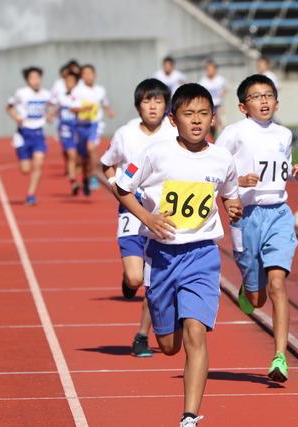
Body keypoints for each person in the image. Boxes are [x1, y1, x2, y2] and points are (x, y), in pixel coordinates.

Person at [115, 84, 242, 426]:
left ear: (213, 118)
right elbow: (121, 186)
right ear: (174, 119)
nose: (197, 121)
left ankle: (188, 416)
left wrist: (233, 207)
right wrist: (147, 218)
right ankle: (159, 326)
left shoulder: (222, 158)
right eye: (188, 114)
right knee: (170, 345)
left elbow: (229, 194)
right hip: (163, 256)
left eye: (203, 114)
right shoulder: (154, 153)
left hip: (202, 255)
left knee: (196, 332)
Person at [216, 74, 298, 383]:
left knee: (278, 286)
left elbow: (283, 166)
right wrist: (237, 182)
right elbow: (212, 170)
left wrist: (294, 173)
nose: (264, 101)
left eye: (268, 95)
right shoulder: (233, 134)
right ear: (243, 106)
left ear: (277, 101)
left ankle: (280, 356)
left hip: (279, 213)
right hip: (247, 215)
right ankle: (247, 287)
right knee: (257, 300)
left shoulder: (283, 134)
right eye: (256, 97)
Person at [101, 78, 176, 357]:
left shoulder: (174, 130)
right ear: (138, 106)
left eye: (158, 101)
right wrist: (116, 188)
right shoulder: (125, 134)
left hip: (163, 213)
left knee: (152, 281)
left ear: (166, 105)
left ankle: (142, 334)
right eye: (147, 101)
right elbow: (107, 164)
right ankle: (128, 279)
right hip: (132, 211)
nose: (153, 106)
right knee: (134, 279)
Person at [6, 66, 54, 206]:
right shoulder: (21, 93)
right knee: (25, 169)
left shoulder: (46, 94)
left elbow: (53, 106)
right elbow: (8, 107)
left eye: (37, 77)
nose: (35, 80)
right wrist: (16, 118)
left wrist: (50, 114)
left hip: (38, 133)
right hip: (23, 133)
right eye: (32, 78)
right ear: (27, 80)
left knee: (38, 164)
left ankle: (31, 194)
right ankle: (23, 159)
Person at [74, 64, 115, 193]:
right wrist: (82, 109)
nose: (88, 76)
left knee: (91, 148)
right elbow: (72, 107)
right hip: (80, 125)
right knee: (82, 158)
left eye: (90, 73)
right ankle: (85, 177)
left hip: (94, 124)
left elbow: (104, 102)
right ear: (82, 76)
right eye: (85, 74)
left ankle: (93, 177)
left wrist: (109, 111)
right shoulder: (77, 90)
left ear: (95, 75)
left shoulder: (100, 90)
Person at [51, 71, 84, 195]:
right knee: (71, 155)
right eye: (66, 81)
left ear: (76, 83)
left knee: (80, 158)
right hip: (66, 129)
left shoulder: (82, 97)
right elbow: (56, 109)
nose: (68, 84)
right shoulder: (61, 97)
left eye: (71, 81)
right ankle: (73, 182)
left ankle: (80, 176)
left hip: (79, 129)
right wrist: (50, 114)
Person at [198, 59, 227, 138]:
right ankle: (211, 140)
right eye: (208, 69)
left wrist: (221, 95)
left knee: (221, 124)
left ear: (215, 69)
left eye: (211, 69)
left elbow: (225, 89)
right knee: (210, 125)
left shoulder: (220, 79)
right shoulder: (203, 81)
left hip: (218, 105)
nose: (209, 71)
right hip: (208, 106)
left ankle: (222, 139)